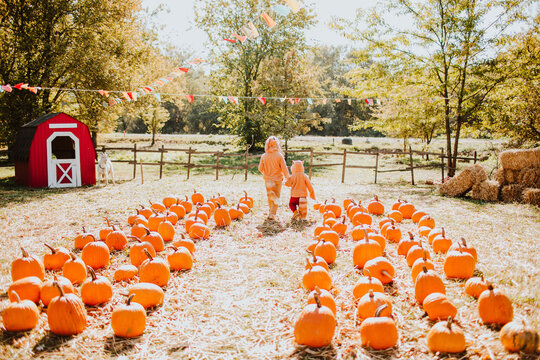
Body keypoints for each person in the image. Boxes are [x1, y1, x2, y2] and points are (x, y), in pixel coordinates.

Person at [258, 136, 290, 219]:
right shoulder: (279, 156)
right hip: (277, 180)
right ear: (277, 145)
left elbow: (260, 168)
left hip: (267, 180)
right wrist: (288, 178)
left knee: (270, 196)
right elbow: (284, 168)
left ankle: (270, 211)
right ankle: (272, 214)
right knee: (276, 197)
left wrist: (265, 174)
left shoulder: (264, 156)